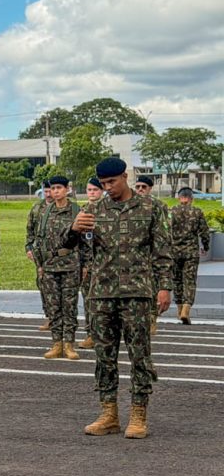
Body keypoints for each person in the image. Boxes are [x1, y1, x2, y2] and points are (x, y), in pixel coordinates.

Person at [67, 157, 172, 439]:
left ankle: (138, 413)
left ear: (125, 176)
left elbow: (162, 252)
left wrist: (164, 287)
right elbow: (68, 247)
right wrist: (74, 230)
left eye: (112, 182)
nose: (108, 188)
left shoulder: (152, 208)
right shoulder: (93, 209)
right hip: (101, 293)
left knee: (140, 355)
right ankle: (109, 413)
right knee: (104, 355)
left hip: (137, 292)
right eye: (103, 184)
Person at [34, 176, 82, 359]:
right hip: (49, 266)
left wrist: (85, 266)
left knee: (69, 306)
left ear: (67, 189)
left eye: (59, 188)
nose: (55, 191)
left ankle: (69, 344)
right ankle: (56, 343)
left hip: (70, 264)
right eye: (53, 188)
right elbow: (39, 240)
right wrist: (40, 264)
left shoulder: (77, 211)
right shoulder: (45, 213)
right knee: (54, 307)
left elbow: (86, 242)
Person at [134, 175, 169, 335]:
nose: (140, 189)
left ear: (150, 188)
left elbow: (164, 231)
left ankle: (152, 319)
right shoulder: (131, 204)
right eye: (138, 186)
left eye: (144, 187)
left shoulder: (159, 205)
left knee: (153, 289)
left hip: (153, 255)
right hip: (136, 258)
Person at [170, 187, 210, 324]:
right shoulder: (197, 212)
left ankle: (179, 308)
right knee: (190, 281)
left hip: (174, 251)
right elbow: (204, 232)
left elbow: (164, 231)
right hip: (191, 252)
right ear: (191, 198)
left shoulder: (172, 211)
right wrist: (206, 246)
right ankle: (186, 310)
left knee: (177, 281)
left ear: (179, 198)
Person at [78, 177, 103, 349]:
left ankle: (104, 333)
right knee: (88, 299)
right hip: (87, 263)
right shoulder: (82, 211)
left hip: (107, 263)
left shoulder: (108, 209)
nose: (92, 193)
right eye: (89, 190)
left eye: (95, 190)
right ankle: (91, 333)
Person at [26, 180, 53, 331]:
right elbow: (30, 230)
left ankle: (62, 318)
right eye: (46, 191)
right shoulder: (37, 208)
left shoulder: (67, 207)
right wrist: (29, 248)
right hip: (41, 255)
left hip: (61, 255)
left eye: (51, 190)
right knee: (43, 284)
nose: (49, 194)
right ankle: (49, 317)